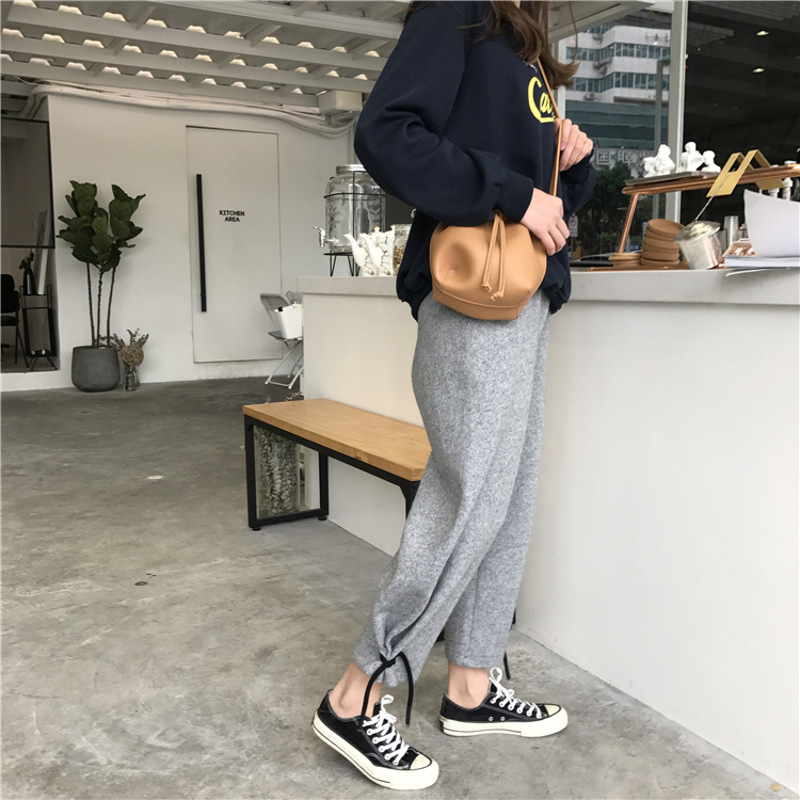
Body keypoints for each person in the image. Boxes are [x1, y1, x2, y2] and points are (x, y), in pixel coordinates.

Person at [312, 1, 596, 791]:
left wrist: (568, 164)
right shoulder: (460, 8)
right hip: (475, 297)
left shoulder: (523, 46)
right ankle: (356, 694)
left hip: (526, 297)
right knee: (467, 496)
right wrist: (513, 190)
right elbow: (386, 132)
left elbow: (542, 206)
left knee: (505, 498)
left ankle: (471, 683)